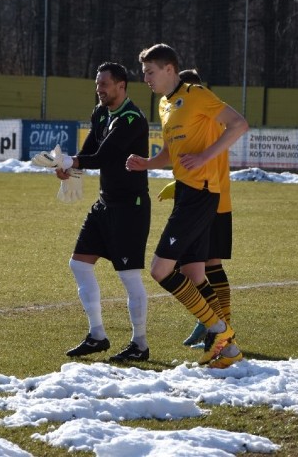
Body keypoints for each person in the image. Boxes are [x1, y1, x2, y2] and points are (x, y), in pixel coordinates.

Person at [126, 44, 248, 368]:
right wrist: (147, 163)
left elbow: (239, 124)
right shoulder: (165, 105)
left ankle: (221, 332)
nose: (146, 79)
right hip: (186, 192)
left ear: (169, 69)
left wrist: (207, 156)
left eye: (150, 73)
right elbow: (171, 155)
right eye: (144, 74)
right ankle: (228, 347)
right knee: (193, 271)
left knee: (160, 270)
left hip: (202, 194)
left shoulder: (196, 94)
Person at [33, 62, 152, 362]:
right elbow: (86, 153)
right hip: (105, 203)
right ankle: (97, 335)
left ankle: (140, 344)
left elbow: (102, 157)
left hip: (130, 207)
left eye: (105, 84)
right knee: (79, 264)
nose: (99, 89)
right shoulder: (100, 112)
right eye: (97, 84)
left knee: (128, 276)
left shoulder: (131, 119)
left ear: (121, 85)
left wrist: (71, 162)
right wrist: (68, 170)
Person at [158, 69, 234, 352]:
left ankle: (221, 325)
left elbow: (203, 161)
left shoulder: (208, 114)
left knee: (209, 265)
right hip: (204, 197)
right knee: (195, 266)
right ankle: (213, 324)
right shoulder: (190, 115)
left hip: (214, 200)